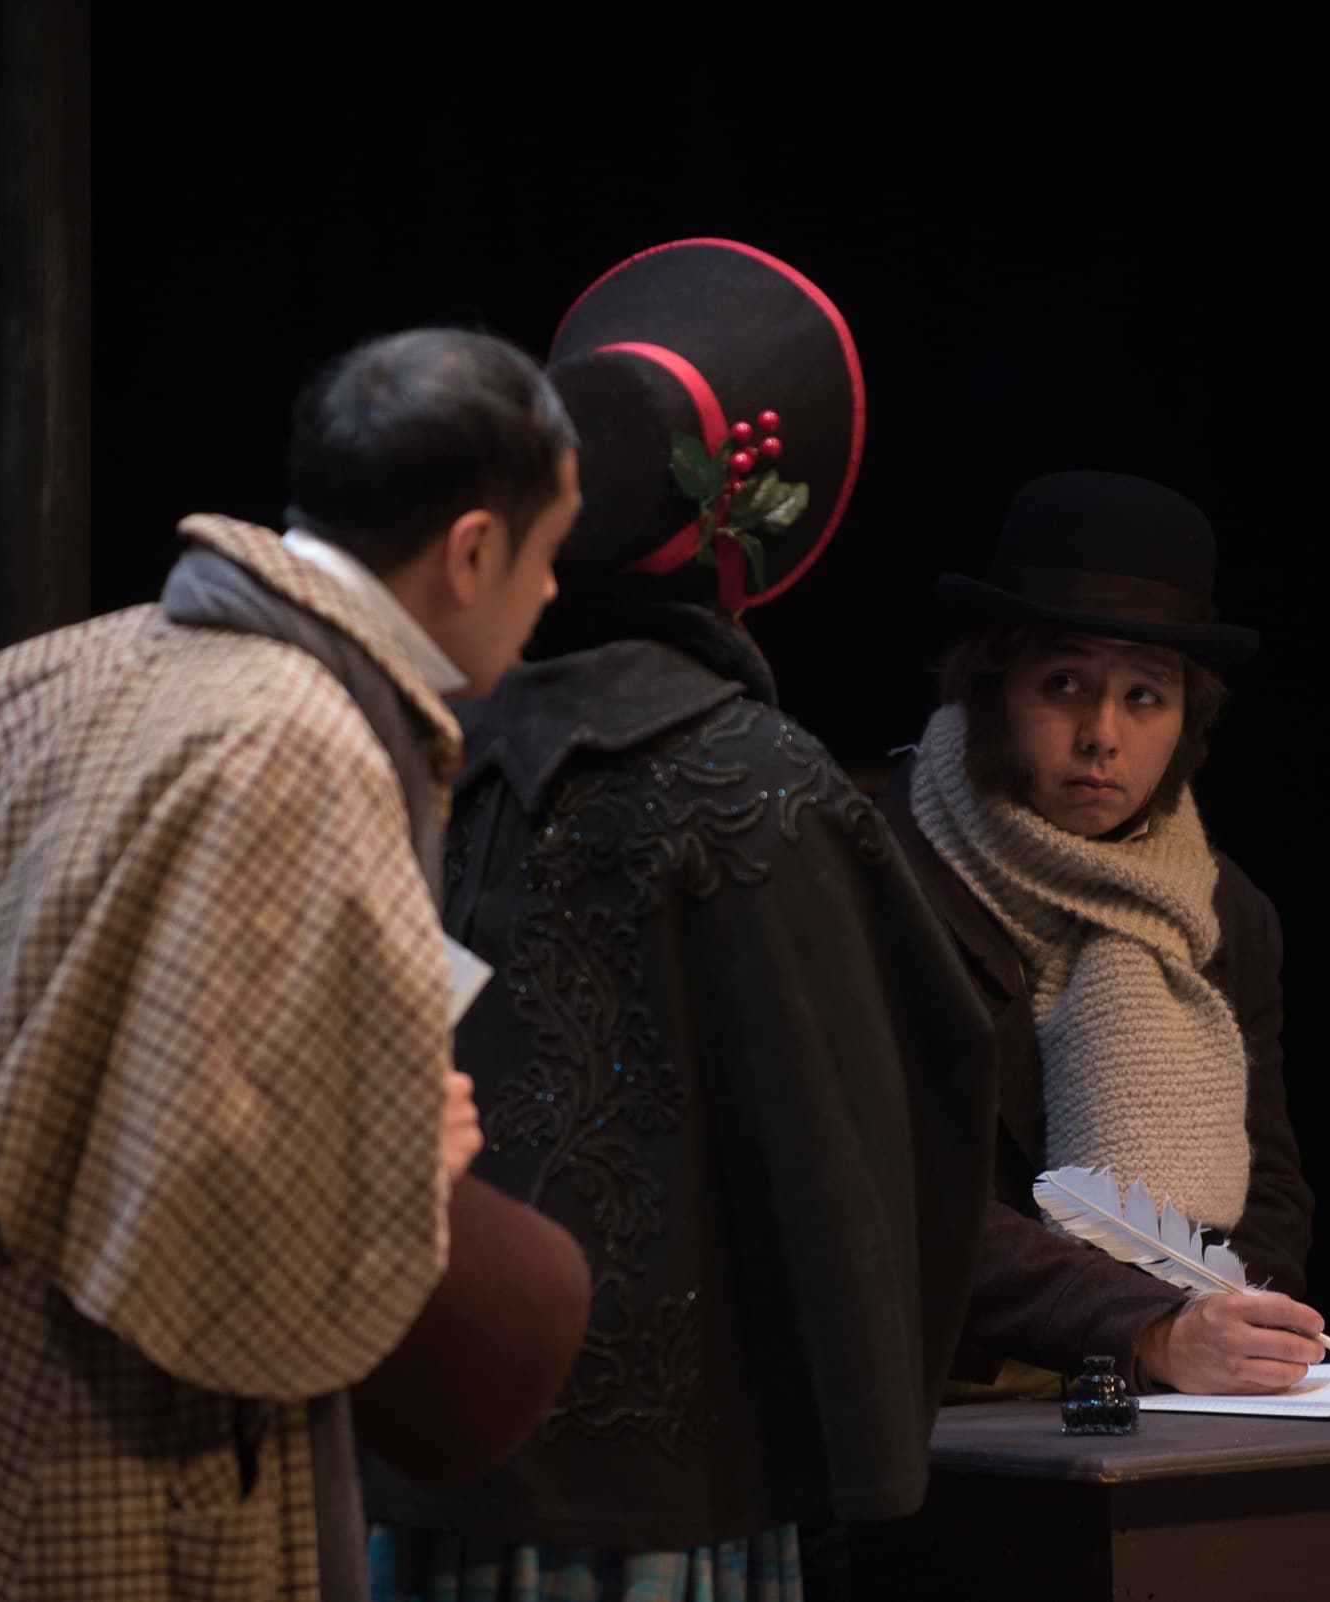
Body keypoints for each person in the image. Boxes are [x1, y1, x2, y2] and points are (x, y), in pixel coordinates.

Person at [0, 328, 595, 1602]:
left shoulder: (83, 654)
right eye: (549, 559)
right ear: (473, 553)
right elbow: (223, 1204)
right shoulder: (293, 745)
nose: (549, 602)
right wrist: (386, 1158)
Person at [363, 240, 998, 1601]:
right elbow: (861, 1142)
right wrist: (868, 1455)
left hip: (394, 1454)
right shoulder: (753, 787)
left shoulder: (408, 749)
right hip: (648, 1506)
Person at [878, 470, 1325, 1400]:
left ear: (1185, 723)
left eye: (1145, 696)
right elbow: (903, 1191)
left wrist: (1242, 1318)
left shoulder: (1220, 908)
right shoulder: (879, 878)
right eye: (1065, 683)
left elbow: (1269, 1177)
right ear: (995, 689)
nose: (1101, 735)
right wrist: (1148, 1328)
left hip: (1170, 1385)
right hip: (935, 1391)